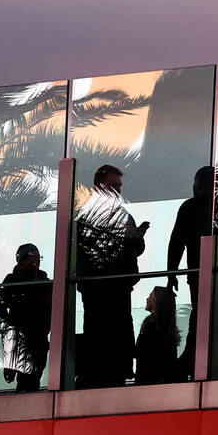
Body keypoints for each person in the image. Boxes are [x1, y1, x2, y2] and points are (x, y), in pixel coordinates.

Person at [75, 164, 148, 388]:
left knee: (121, 330)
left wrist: (136, 238)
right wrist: (124, 236)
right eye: (113, 185)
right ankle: (97, 374)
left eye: (119, 185)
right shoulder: (86, 214)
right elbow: (86, 246)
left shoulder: (124, 215)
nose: (117, 190)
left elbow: (136, 248)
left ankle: (120, 370)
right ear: (99, 187)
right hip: (98, 287)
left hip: (120, 285)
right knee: (99, 331)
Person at [167, 166, 218, 376]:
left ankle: (191, 362)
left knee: (200, 318)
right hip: (208, 272)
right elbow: (177, 242)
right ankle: (193, 362)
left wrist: (172, 273)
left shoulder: (192, 207)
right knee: (204, 318)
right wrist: (172, 273)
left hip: (202, 272)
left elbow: (177, 242)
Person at [1, 243, 51, 392]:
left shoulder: (45, 281)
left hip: (40, 334)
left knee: (35, 372)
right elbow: (3, 304)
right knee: (25, 375)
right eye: (32, 256)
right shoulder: (13, 280)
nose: (36, 259)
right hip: (20, 334)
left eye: (38, 256)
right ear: (22, 259)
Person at [135, 286, 180, 385]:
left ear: (156, 301)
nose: (147, 299)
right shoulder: (169, 326)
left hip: (146, 379)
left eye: (150, 296)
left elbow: (139, 351)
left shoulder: (150, 322)